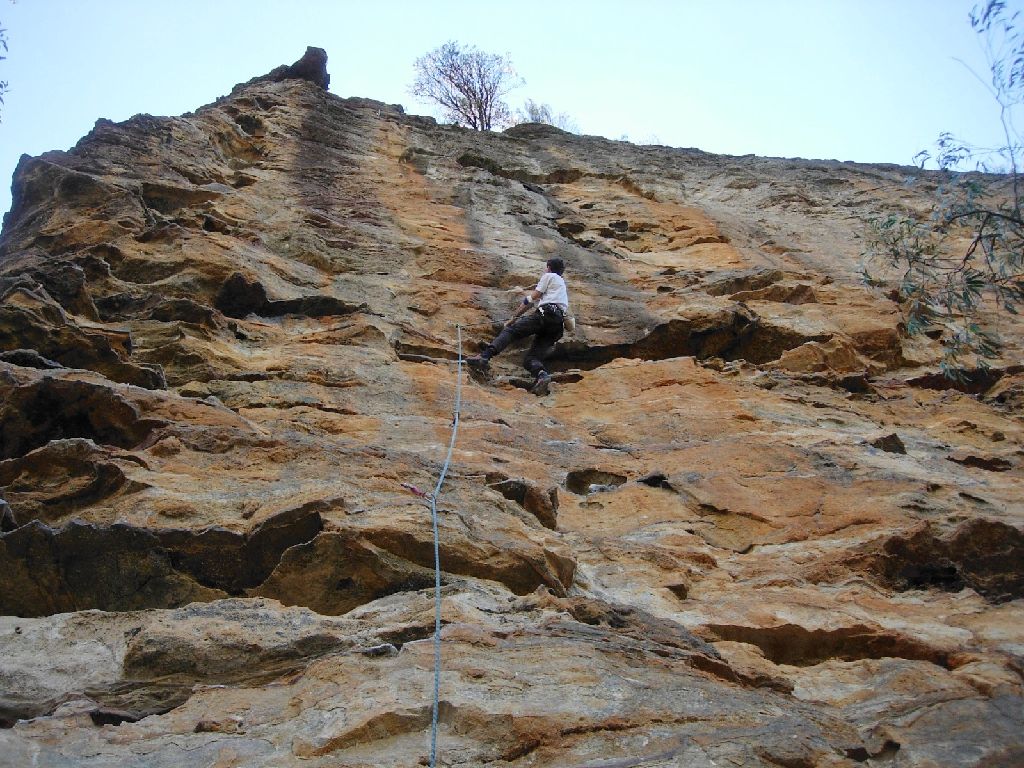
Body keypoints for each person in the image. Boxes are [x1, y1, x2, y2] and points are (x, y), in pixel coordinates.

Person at [467, 258, 569, 395]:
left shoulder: (549, 276)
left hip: (545, 315)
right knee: (531, 359)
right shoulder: (561, 284)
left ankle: (484, 356)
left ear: (549, 268)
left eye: (546, 267)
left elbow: (531, 299)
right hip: (557, 326)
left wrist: (513, 318)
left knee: (511, 331)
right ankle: (542, 375)